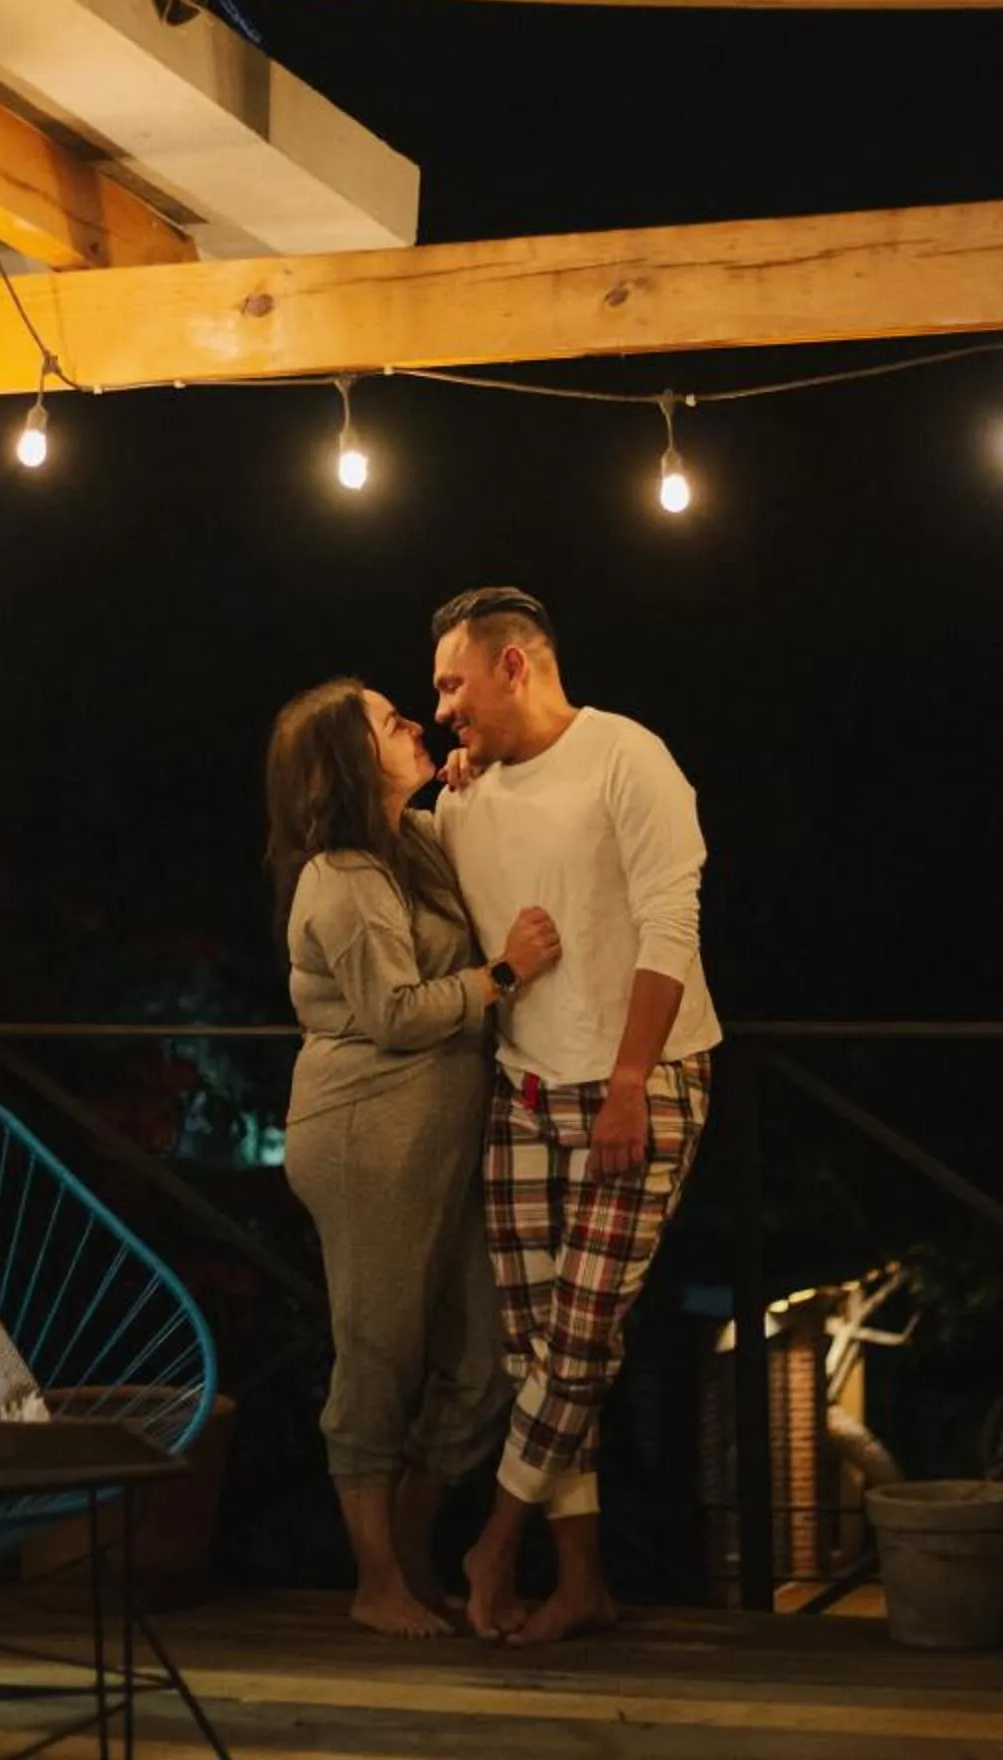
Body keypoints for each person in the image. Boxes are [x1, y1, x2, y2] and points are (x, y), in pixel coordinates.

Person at [427, 586, 721, 1645]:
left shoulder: (625, 755)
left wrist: (635, 1077)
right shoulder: (463, 795)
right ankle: (582, 1579)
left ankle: (495, 1544)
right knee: (537, 1349)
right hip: (521, 1087)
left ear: (515, 665)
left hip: (638, 1083)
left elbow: (670, 921)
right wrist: (442, 775)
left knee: (583, 1335)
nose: (445, 708)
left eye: (454, 683)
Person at [265, 677, 562, 1636]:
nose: (414, 724)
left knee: (482, 1364)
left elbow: (475, 856)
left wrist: (469, 784)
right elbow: (394, 1016)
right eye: (390, 722)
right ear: (352, 763)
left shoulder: (417, 843)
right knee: (380, 1352)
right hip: (365, 1136)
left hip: (440, 1135)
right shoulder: (340, 878)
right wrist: (506, 971)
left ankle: (405, 1542)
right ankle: (376, 1582)